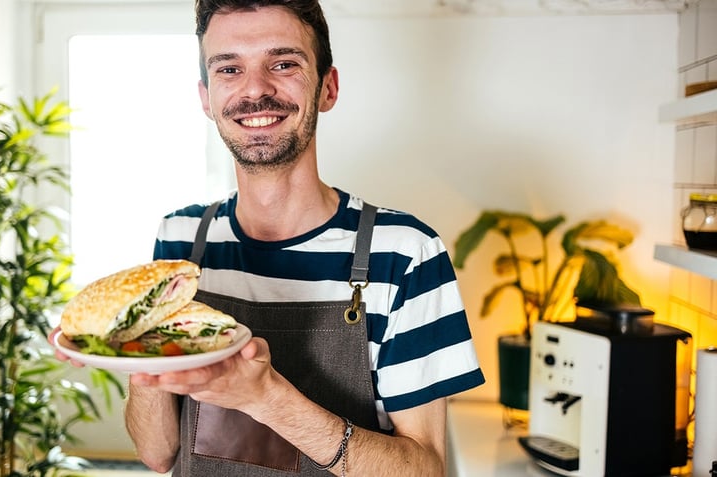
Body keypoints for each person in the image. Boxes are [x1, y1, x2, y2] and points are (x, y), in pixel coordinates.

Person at [60, 0, 485, 475]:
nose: (255, 90)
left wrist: (266, 398)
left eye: (283, 64)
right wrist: (136, 354)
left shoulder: (405, 252)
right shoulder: (182, 240)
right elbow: (159, 454)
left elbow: (425, 469)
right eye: (229, 69)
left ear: (328, 87)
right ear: (206, 98)